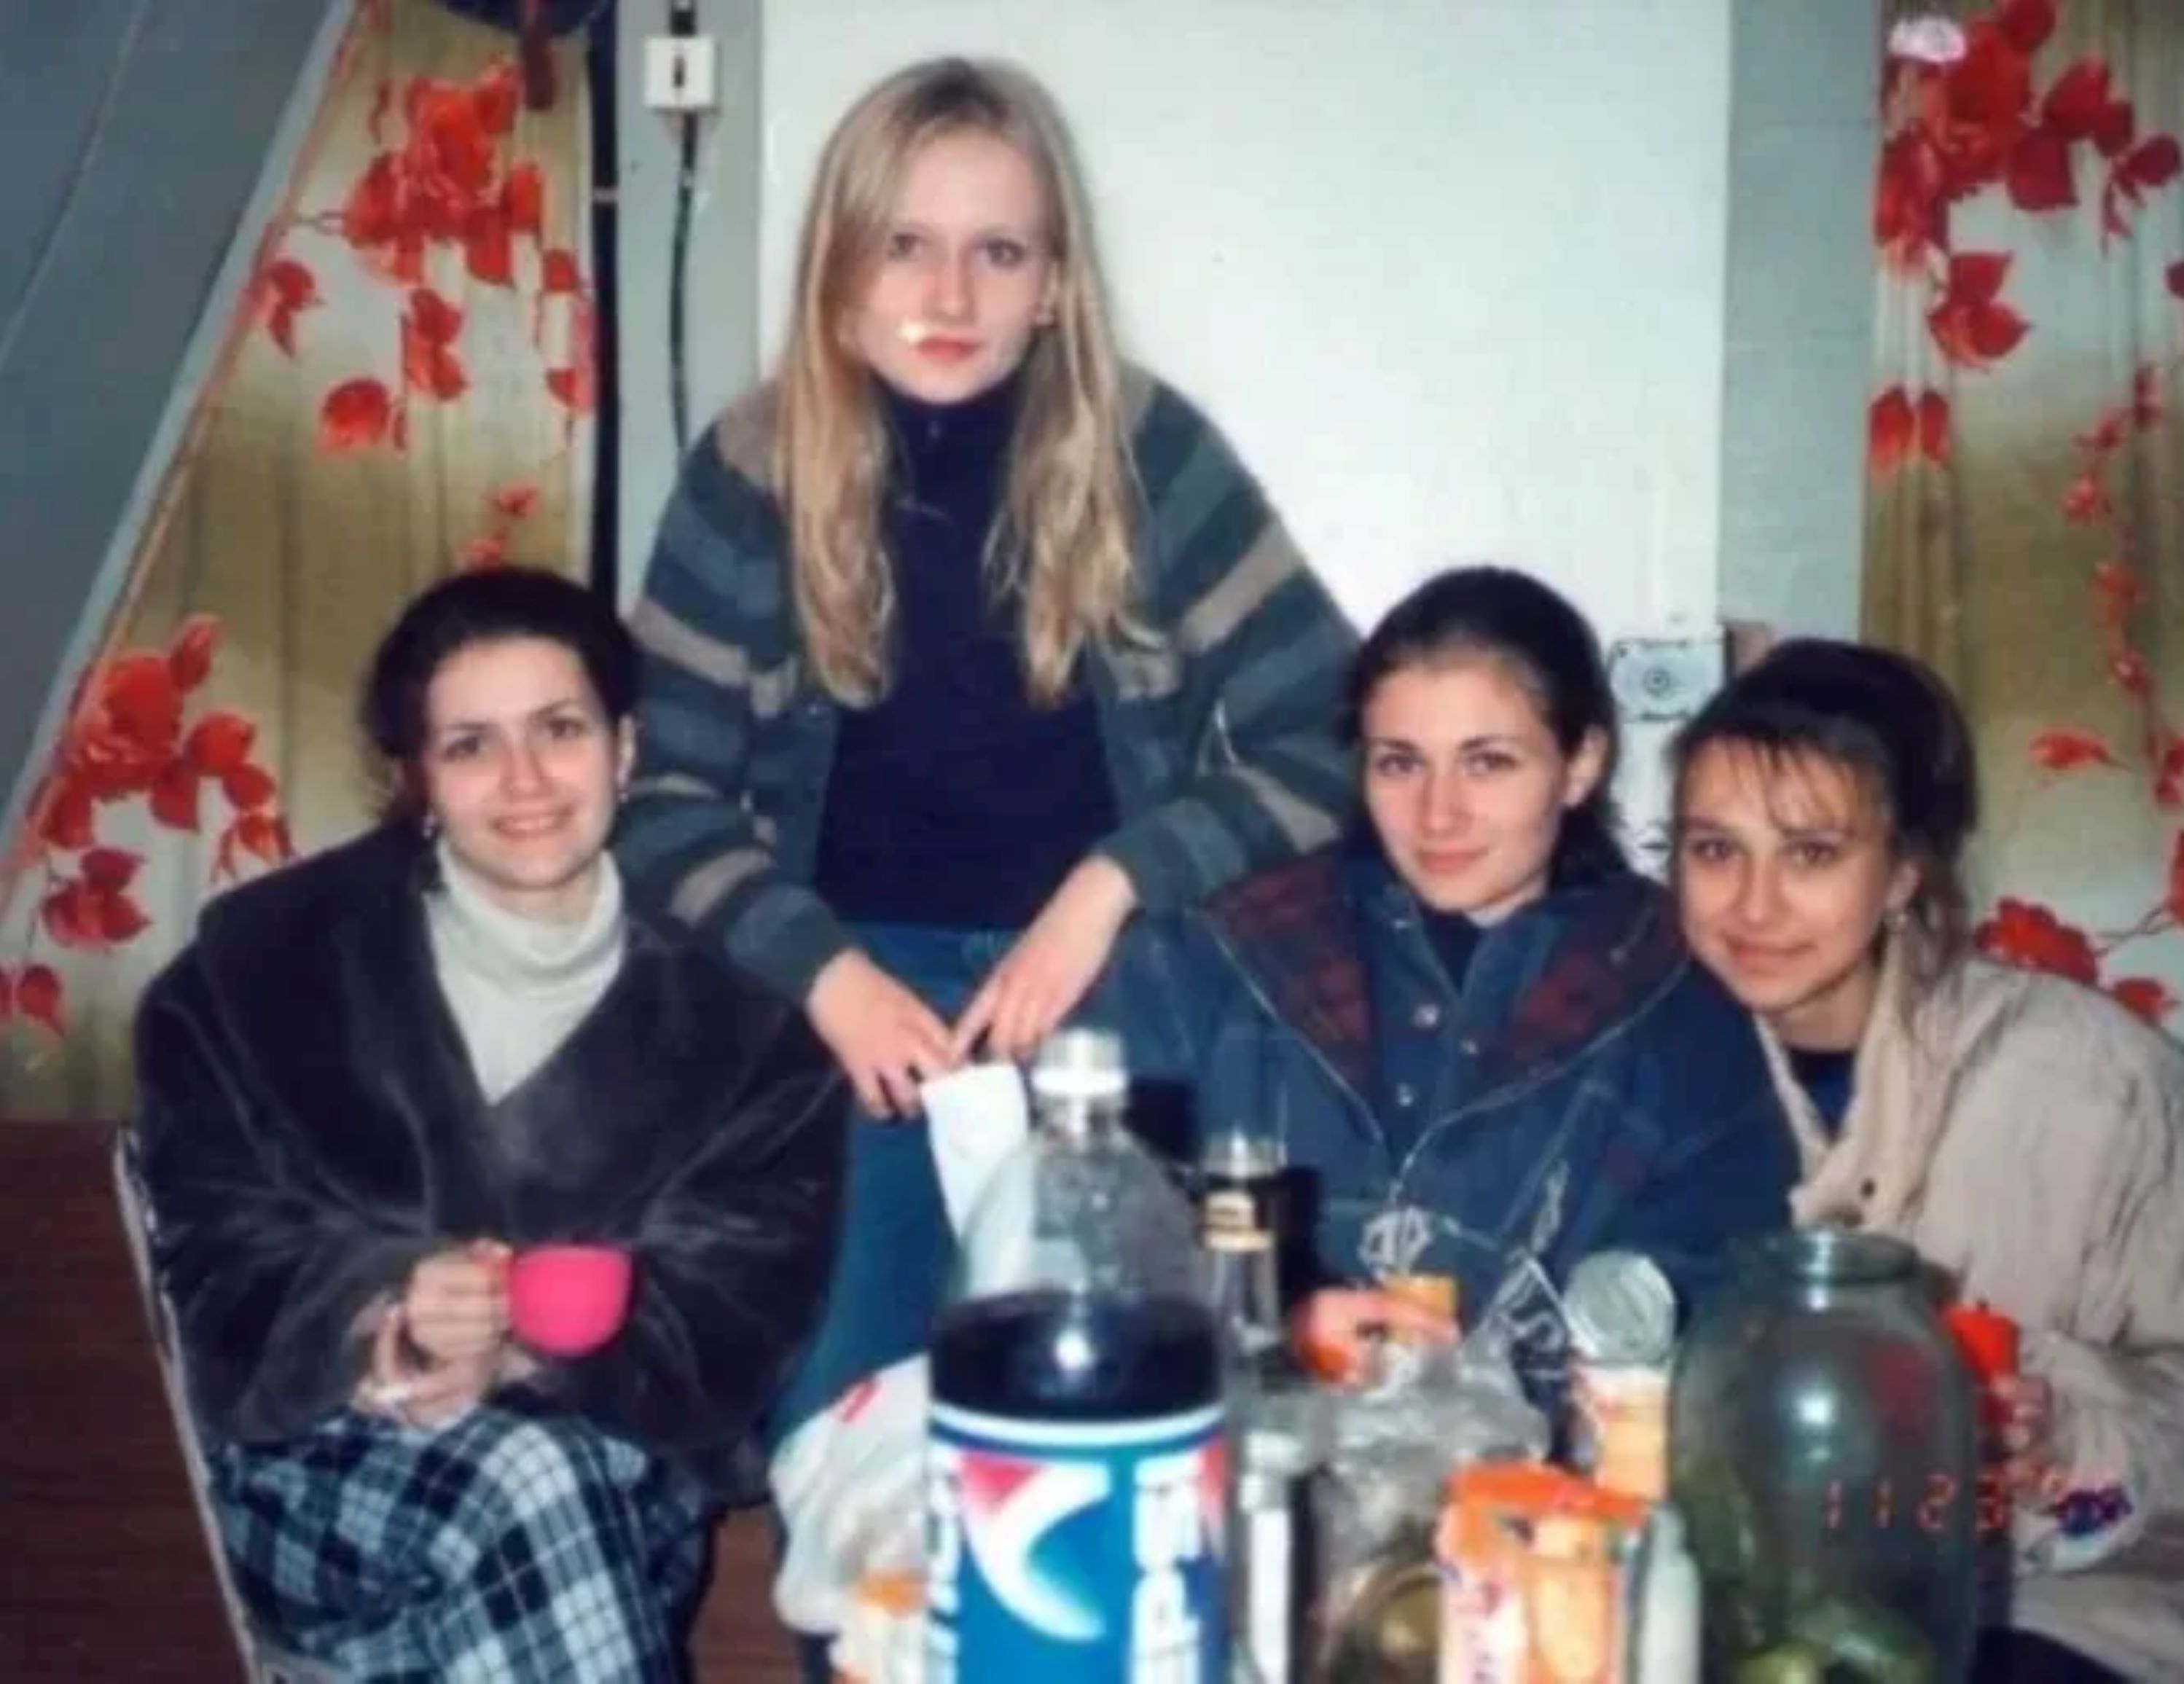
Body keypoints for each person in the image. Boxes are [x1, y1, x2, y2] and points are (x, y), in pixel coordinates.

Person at [615, 55, 1358, 1660]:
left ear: (1053, 282)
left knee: (1120, 1440)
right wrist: (824, 973)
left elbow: (1334, 739)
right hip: (850, 1016)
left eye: (997, 252)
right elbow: (656, 797)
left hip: (1104, 1005)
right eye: (905, 245)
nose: (948, 296)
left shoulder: (1149, 454)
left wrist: (1108, 887)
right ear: (838, 270)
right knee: (857, 1458)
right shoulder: (750, 474)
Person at [130, 566, 846, 1680]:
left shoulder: (747, 1021)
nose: (525, 780)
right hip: (323, 1478)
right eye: (470, 745)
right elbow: (218, 1262)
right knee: (531, 1488)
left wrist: (520, 1349)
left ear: (624, 748)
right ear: (418, 775)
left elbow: (734, 1314)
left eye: (559, 729)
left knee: (540, 1481)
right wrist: (387, 1305)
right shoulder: (256, 972)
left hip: (608, 1480)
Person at [1669, 638, 2184, 1682]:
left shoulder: (2090, 1085)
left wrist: (2064, 1439)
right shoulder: (1650, 1072)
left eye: (1811, 854)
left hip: (2087, 1610)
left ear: (1902, 871)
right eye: (1713, 849)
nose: (1751, 904)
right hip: (1769, 1611)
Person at [1162, 565, 1797, 1409]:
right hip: (1241, 1463)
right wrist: (1275, 1331)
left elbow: (1729, 1299)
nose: (1438, 814)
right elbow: (1091, 1236)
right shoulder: (1227, 954)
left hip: (1552, 1482)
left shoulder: (1671, 991)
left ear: (1581, 763)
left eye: (1488, 763)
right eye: (1399, 763)